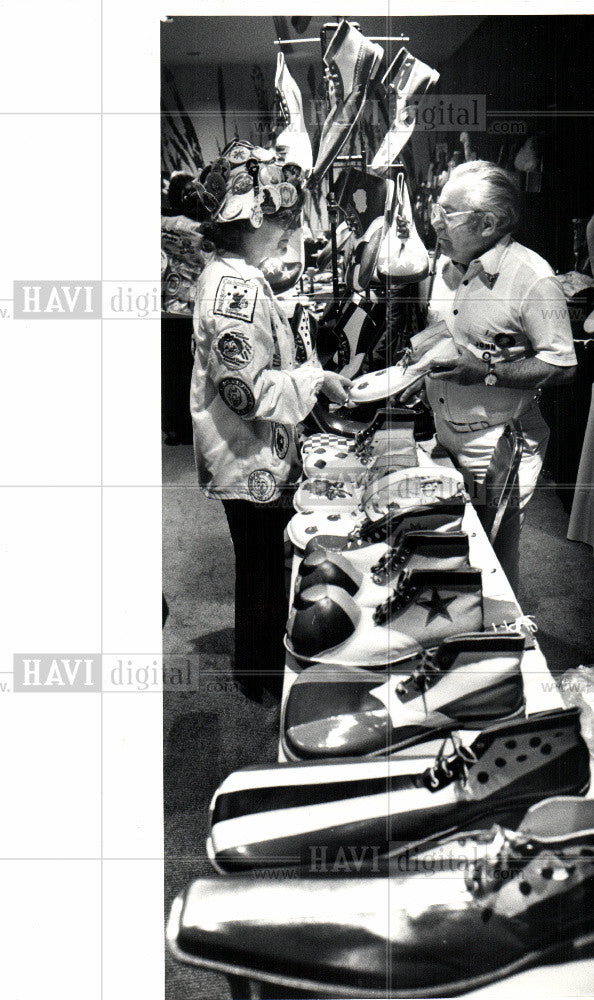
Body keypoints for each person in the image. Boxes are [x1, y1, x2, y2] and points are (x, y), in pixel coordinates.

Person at [190, 139, 351, 700]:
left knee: (261, 561)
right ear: (250, 221)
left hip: (251, 451)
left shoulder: (236, 277)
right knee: (259, 566)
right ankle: (257, 674)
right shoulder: (236, 289)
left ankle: (256, 663)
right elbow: (245, 392)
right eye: (282, 219)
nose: (290, 230)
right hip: (247, 455)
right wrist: (314, 381)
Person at [411, 160, 577, 591]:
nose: (435, 224)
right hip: (445, 433)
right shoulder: (445, 265)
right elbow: (450, 330)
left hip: (499, 445)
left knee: (492, 566)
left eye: (448, 214)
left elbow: (562, 368)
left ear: (490, 223)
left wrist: (485, 372)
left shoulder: (533, 279)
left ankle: (505, 647)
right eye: (436, 210)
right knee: (452, 553)